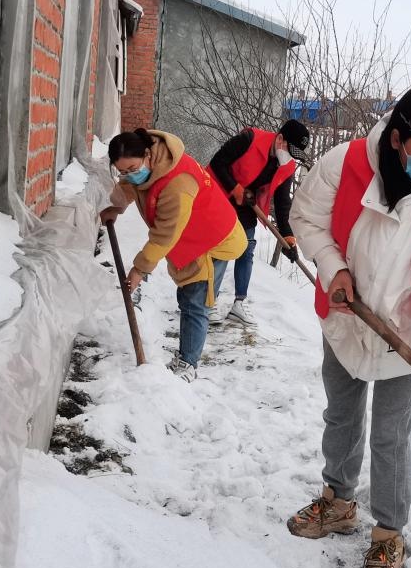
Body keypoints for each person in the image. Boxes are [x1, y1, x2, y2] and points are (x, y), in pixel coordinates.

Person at [287, 86, 411, 568]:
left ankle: (389, 533)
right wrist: (334, 268)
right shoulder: (347, 162)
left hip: (405, 335)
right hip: (346, 316)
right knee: (341, 415)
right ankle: (338, 501)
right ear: (397, 139)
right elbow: (305, 217)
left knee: (393, 437)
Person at [100, 128, 246, 381]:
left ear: (147, 154)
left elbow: (164, 235)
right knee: (193, 298)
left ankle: (188, 365)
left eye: (133, 168)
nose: (129, 176)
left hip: (212, 240)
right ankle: (193, 341)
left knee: (194, 301)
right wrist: (115, 206)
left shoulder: (177, 183)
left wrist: (140, 269)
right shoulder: (150, 164)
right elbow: (131, 186)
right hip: (193, 236)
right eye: (122, 171)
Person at [208, 119, 311, 326]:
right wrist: (235, 188)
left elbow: (283, 204)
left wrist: (288, 238)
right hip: (220, 195)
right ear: (279, 138)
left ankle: (239, 303)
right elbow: (218, 162)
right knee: (222, 251)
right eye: (289, 150)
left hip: (247, 203)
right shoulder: (249, 139)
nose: (290, 157)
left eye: (295, 155)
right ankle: (208, 302)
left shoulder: (287, 167)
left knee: (247, 249)